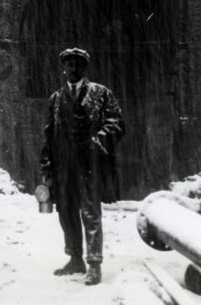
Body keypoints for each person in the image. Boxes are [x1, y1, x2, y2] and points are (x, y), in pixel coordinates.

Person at [40, 47, 124, 286]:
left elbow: (117, 123)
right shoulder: (55, 99)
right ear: (64, 68)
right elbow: (48, 135)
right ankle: (75, 258)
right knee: (66, 213)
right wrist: (46, 165)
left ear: (85, 67)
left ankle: (94, 264)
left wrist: (96, 144)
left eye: (78, 64)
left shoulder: (101, 93)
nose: (73, 69)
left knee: (90, 212)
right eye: (69, 64)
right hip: (63, 166)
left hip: (90, 165)